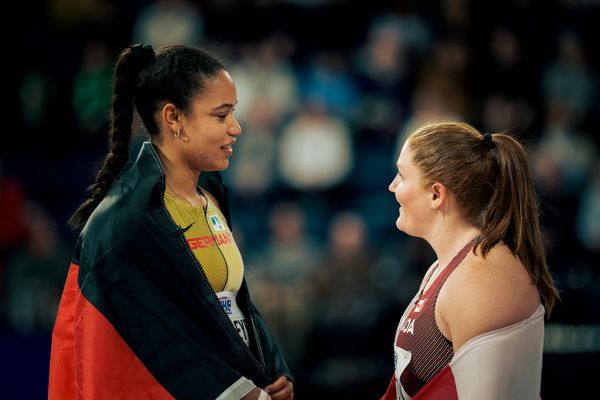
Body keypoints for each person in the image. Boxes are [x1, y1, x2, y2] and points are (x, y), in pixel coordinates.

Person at [48, 44, 294, 400]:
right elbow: (141, 349)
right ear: (174, 118)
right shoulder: (122, 222)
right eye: (221, 115)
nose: (236, 128)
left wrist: (273, 368)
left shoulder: (210, 194)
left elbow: (235, 303)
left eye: (233, 114)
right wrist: (232, 393)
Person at [381, 121, 559, 399]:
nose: (392, 186)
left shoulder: (483, 277)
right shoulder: (444, 267)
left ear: (436, 194)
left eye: (402, 176)